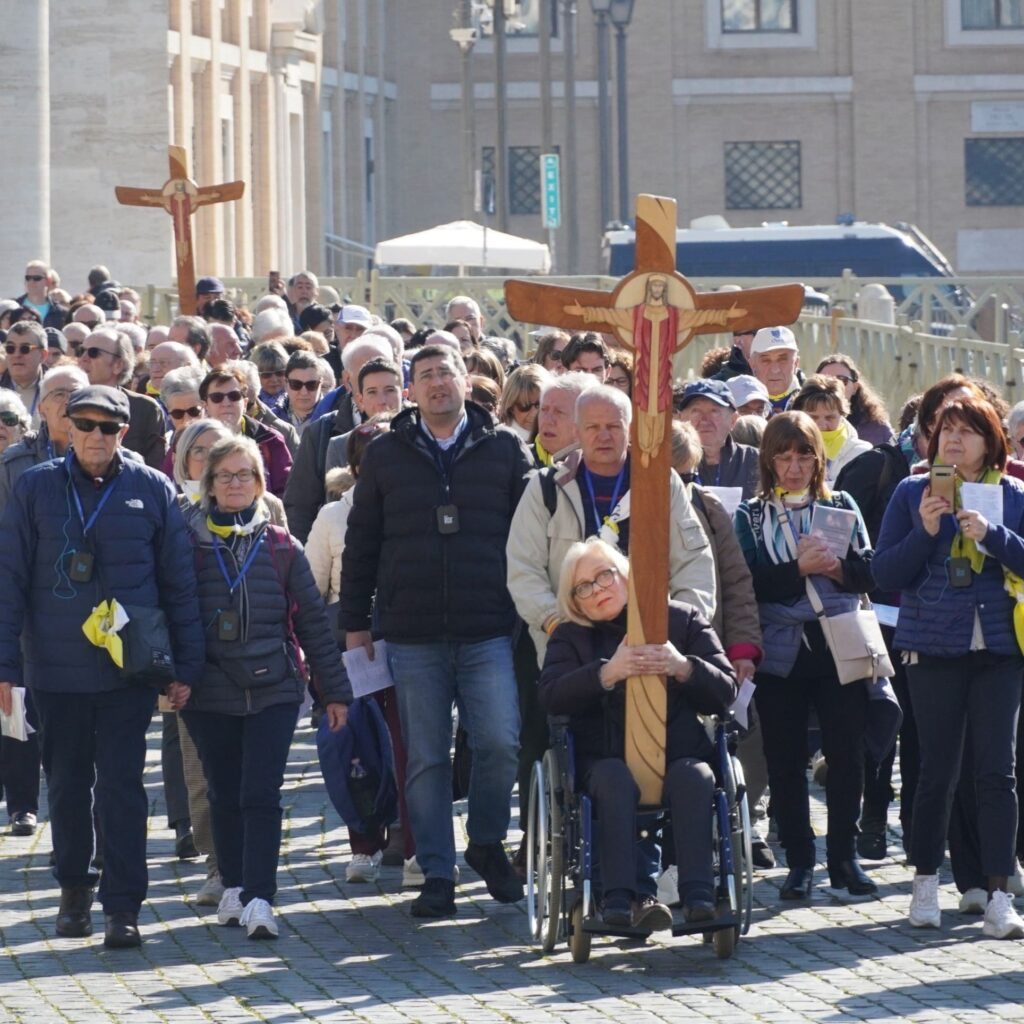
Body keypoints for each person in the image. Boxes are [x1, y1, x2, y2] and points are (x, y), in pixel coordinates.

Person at [0, 385, 203, 949]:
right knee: (66, 785)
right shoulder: (34, 486)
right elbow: (8, 578)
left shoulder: (152, 488)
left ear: (123, 432)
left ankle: (123, 906)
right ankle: (73, 889)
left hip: (127, 668)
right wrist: (6, 667)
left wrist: (184, 666)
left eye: (108, 427)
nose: (96, 436)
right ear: (67, 426)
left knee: (122, 787)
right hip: (54, 669)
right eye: (85, 424)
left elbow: (179, 584)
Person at [340, 344, 534, 918]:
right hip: (412, 632)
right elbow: (361, 542)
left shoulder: (505, 448)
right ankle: (437, 873)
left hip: (488, 626)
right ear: (411, 391)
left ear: (465, 382)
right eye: (424, 375)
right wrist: (354, 623)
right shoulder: (386, 453)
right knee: (425, 757)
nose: (436, 383)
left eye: (445, 372)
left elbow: (532, 533)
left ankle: (486, 842)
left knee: (499, 743)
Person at [181, 434, 348, 940]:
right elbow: (173, 615)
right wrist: (174, 678)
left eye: (245, 475)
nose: (235, 484)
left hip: (273, 686)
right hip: (210, 690)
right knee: (223, 791)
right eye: (225, 475)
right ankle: (233, 885)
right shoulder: (186, 545)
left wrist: (334, 692)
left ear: (260, 483)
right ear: (209, 484)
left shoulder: (281, 546)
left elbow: (313, 624)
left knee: (260, 792)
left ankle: (260, 897)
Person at [873, 396, 1024, 939]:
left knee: (998, 772)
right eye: (945, 431)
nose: (954, 441)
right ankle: (925, 883)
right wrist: (925, 531)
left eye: (967, 431)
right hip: (932, 648)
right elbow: (884, 572)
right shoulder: (911, 492)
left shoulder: (1012, 495)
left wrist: (993, 535)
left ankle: (999, 895)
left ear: (991, 441)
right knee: (937, 772)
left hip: (1000, 652)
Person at [539, 537, 737, 926]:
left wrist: (683, 667)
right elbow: (550, 696)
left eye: (604, 576)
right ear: (575, 603)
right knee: (614, 778)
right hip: (603, 758)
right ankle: (617, 899)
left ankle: (699, 896)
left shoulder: (682, 619)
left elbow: (726, 689)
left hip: (679, 751)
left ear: (627, 575)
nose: (597, 590)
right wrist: (605, 674)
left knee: (696, 776)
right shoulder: (569, 637)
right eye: (583, 587)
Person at [734, 412, 876, 900]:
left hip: (839, 642)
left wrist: (835, 568)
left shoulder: (840, 504)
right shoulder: (752, 515)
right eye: (784, 457)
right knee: (785, 758)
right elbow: (749, 585)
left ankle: (844, 857)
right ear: (769, 461)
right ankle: (799, 860)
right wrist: (798, 568)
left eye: (804, 457)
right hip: (782, 649)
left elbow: (869, 572)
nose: (794, 468)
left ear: (819, 460)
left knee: (846, 754)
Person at [508, 383, 716, 667]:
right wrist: (557, 626)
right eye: (593, 427)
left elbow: (693, 563)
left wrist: (680, 630)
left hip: (650, 649)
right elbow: (523, 568)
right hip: (573, 652)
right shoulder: (546, 487)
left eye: (613, 426)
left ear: (630, 429)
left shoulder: (660, 481)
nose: (603, 436)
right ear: (577, 431)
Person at [306, 418, 415, 884]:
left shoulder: (414, 504)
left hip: (407, 637)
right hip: (352, 647)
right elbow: (311, 587)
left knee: (408, 744)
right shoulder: (333, 516)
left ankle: (411, 841)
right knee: (356, 744)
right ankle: (363, 842)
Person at [669, 421, 771, 869]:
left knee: (745, 735)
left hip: (707, 649)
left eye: (688, 476)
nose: (681, 486)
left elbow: (736, 583)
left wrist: (743, 648)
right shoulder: (626, 507)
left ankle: (745, 823)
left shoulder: (708, 508)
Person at [78, 326, 166, 468]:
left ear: (118, 365)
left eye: (93, 353)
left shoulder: (145, 409)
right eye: (81, 351)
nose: (83, 358)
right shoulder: (65, 402)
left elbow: (154, 469)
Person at [199, 367, 292, 498]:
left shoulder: (270, 440)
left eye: (234, 396)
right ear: (205, 405)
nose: (226, 403)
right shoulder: (191, 443)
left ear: (245, 403)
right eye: (217, 397)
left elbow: (287, 493)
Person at [675, 378, 760, 499]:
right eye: (696, 411)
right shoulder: (671, 463)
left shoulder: (755, 461)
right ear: (681, 418)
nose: (704, 420)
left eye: (714, 411)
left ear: (733, 420)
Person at [790, 375, 872, 485]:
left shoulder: (861, 453)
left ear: (842, 415)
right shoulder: (782, 448)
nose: (821, 426)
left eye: (830, 418)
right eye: (813, 417)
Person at [817, 354, 894, 446]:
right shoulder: (803, 421)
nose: (834, 386)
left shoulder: (877, 429)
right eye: (825, 380)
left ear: (855, 387)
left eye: (842, 380)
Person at [531, 371, 597, 467]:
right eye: (544, 409)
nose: (548, 420)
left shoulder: (602, 467)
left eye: (559, 412)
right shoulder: (518, 461)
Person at [1, 320, 48, 429]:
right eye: (10, 348)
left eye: (25, 349)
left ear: (43, 355)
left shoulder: (56, 390)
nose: (16, 355)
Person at [749, 326, 802, 415]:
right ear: (752, 365)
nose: (775, 370)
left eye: (782, 360)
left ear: (796, 363)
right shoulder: (737, 404)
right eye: (766, 360)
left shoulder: (812, 402)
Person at [498, 364, 551, 444]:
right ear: (510, 407)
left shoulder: (564, 437)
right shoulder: (500, 442)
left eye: (540, 405)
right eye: (525, 406)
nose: (534, 413)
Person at [280, 350, 324, 439]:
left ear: (321, 383)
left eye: (311, 384)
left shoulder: (335, 418)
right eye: (296, 384)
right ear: (286, 382)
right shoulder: (272, 418)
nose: (304, 392)